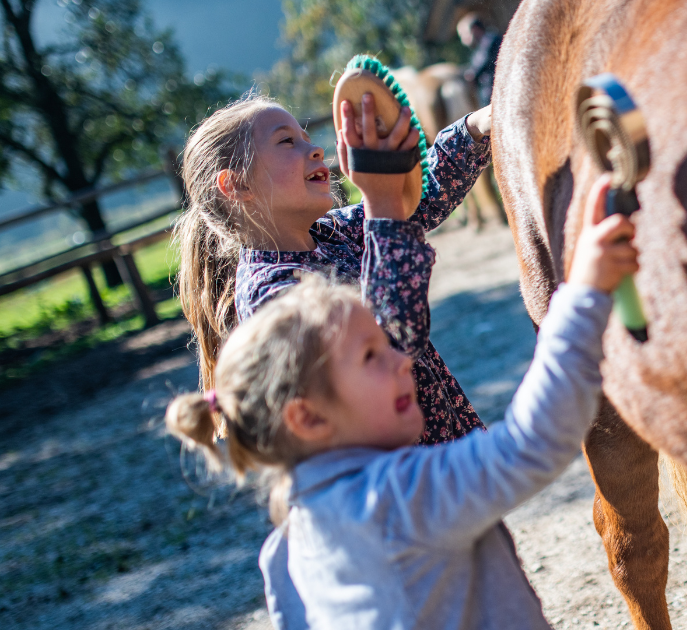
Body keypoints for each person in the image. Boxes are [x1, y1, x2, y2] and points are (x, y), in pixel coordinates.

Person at [163, 175, 637, 629]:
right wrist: (584, 295)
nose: (403, 361)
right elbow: (529, 445)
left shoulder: (284, 552)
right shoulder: (400, 496)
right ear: (306, 415)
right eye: (372, 354)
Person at [174, 91, 493, 446]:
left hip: (441, 458)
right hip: (395, 484)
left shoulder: (332, 233)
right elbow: (390, 345)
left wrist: (476, 127)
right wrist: (379, 200)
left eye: (308, 139)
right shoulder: (270, 294)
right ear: (237, 185)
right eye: (286, 141)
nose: (314, 150)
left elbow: (416, 202)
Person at [457, 13, 502, 106]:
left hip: (498, 96)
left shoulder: (490, 41)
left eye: (464, 34)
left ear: (474, 29)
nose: (462, 40)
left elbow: (478, 67)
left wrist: (468, 75)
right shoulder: (480, 47)